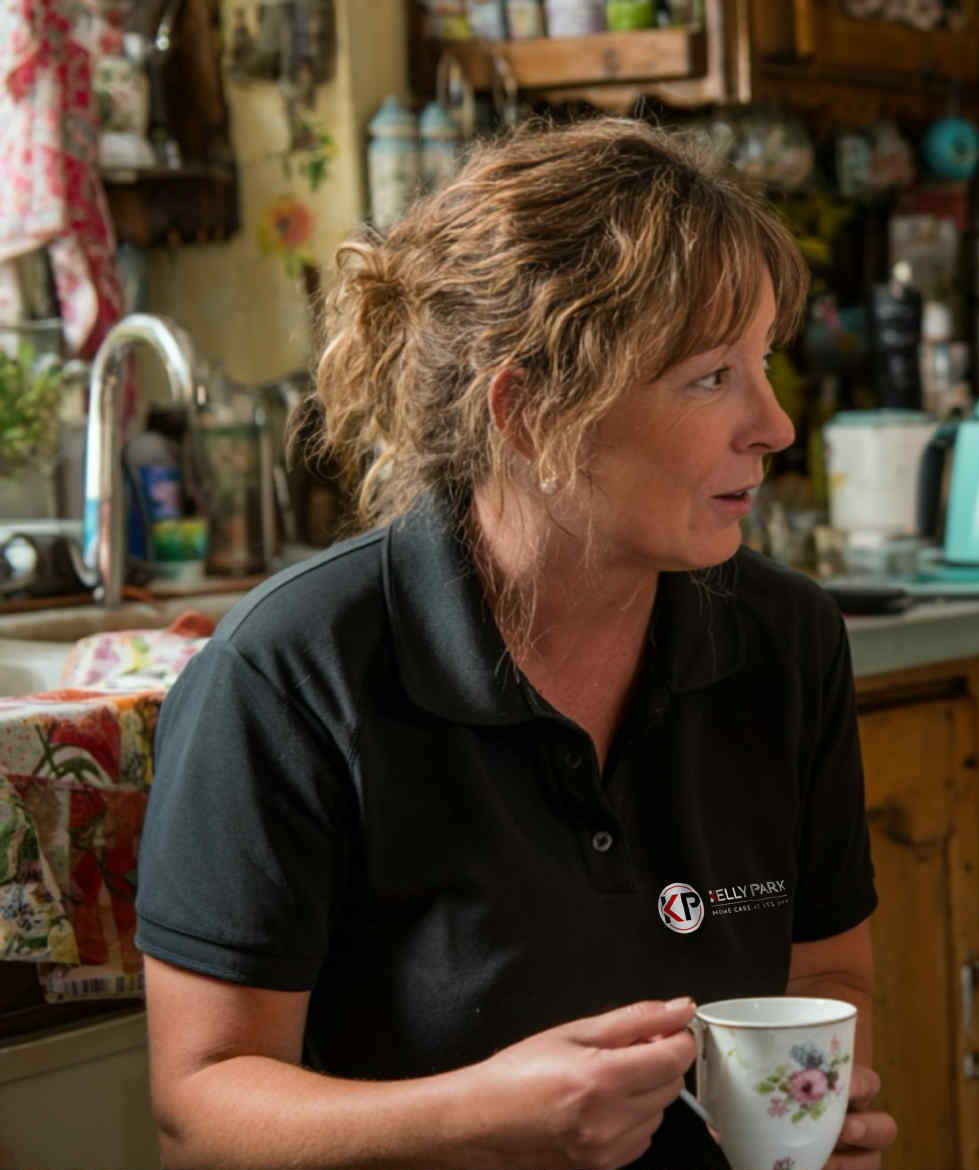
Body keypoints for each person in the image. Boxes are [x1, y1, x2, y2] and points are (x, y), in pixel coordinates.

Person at [133, 118, 897, 1170]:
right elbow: (199, 1108)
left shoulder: (786, 640)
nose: (775, 425)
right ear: (529, 412)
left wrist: (818, 1110)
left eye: (761, 362)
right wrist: (477, 1117)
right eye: (709, 377)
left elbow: (826, 974)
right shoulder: (288, 674)